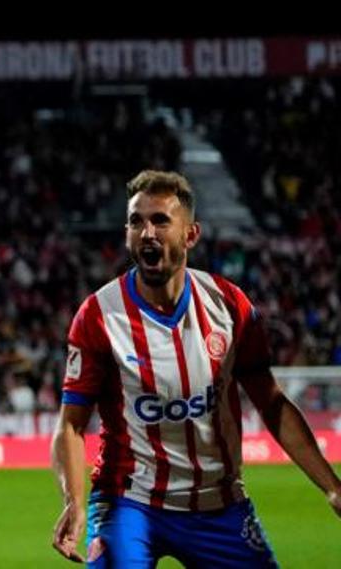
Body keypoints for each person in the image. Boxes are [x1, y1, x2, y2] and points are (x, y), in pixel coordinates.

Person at [51, 170, 341, 566]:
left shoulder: (229, 306)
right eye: (136, 221)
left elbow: (271, 404)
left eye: (160, 221)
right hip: (128, 504)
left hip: (219, 505)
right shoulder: (99, 315)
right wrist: (75, 501)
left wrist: (331, 487)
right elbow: (70, 424)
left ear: (191, 235)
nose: (147, 232)